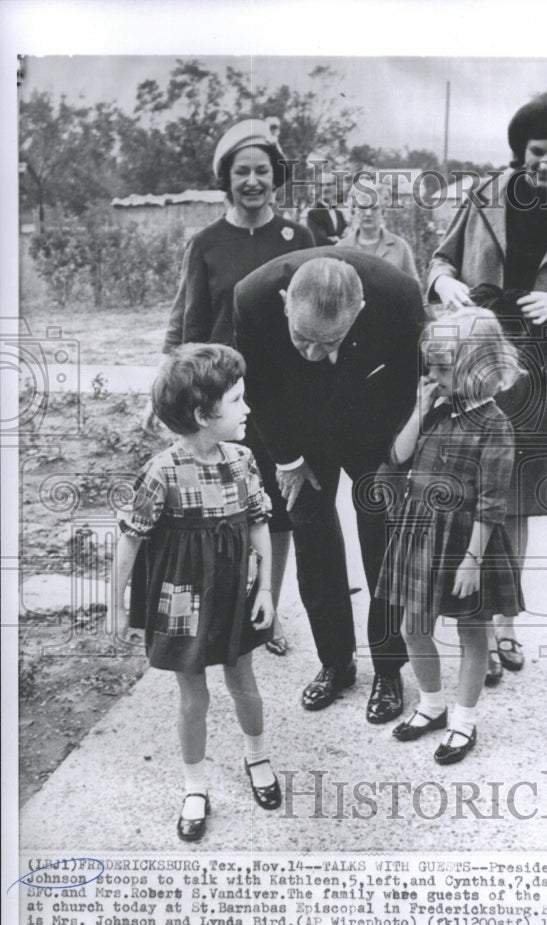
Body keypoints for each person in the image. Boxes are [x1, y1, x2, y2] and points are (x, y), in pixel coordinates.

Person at [427, 92, 547, 684]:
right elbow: (438, 263)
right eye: (537, 152)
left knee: (519, 502)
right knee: (468, 493)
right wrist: (446, 287)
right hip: (473, 362)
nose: (546, 164)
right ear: (519, 149)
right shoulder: (481, 199)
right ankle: (465, 620)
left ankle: (505, 624)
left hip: (537, 371)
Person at [233, 250, 425, 722]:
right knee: (312, 536)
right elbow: (255, 385)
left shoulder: (400, 295)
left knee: (382, 541)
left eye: (332, 340)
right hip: (299, 432)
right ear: (284, 302)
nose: (318, 355)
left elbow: (407, 382)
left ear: (359, 311)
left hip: (373, 427)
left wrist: (393, 460)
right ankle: (335, 663)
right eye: (303, 340)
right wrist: (289, 459)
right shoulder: (252, 296)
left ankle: (388, 667)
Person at [156, 118, 314, 657]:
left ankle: (269, 606)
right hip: (220, 402)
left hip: (281, 399)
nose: (252, 180)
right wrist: (178, 392)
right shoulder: (206, 243)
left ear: (276, 177)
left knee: (277, 508)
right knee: (219, 506)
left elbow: (313, 317)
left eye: (262, 170)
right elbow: (188, 324)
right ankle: (226, 607)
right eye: (241, 171)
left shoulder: (298, 238)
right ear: (228, 179)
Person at [111, 344, 280, 843]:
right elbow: (131, 538)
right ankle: (194, 786)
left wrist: (266, 586)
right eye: (237, 401)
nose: (248, 409)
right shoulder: (161, 471)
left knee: (242, 678)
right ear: (204, 415)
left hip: (234, 591)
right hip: (181, 597)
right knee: (193, 694)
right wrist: (115, 604)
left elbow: (258, 525)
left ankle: (258, 756)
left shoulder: (244, 460)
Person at [377, 308, 523, 763]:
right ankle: (432, 706)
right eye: (432, 367)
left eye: (443, 369)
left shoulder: (495, 425)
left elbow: (492, 502)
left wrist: (473, 560)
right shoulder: (436, 407)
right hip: (420, 531)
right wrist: (421, 409)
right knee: (411, 628)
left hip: (465, 542)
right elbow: (399, 455)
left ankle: (463, 722)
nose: (433, 376)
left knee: (472, 633)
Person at [338, 177, 420, 283]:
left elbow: (414, 289)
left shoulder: (400, 247)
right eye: (363, 207)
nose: (368, 213)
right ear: (355, 211)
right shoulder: (341, 248)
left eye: (374, 208)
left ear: (383, 212)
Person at [306, 173, 347, 246]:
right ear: (317, 189)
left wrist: (336, 238)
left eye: (329, 184)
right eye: (321, 185)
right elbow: (319, 240)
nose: (325, 188)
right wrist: (340, 240)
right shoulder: (313, 214)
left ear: (335, 188)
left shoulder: (339, 214)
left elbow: (348, 237)